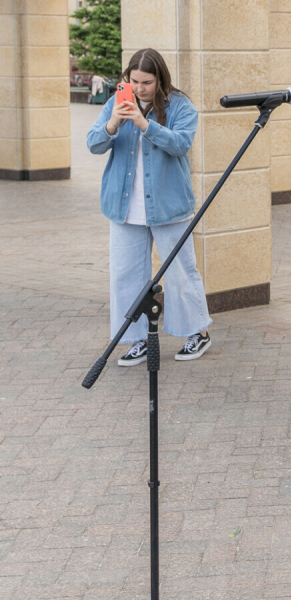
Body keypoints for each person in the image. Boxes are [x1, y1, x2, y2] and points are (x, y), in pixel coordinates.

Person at [87, 48, 212, 366]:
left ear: (160, 79)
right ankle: (135, 339)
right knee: (125, 275)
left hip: (169, 205)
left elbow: (181, 144)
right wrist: (113, 123)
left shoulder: (180, 105)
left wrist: (145, 124)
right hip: (124, 207)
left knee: (181, 271)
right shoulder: (116, 103)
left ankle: (197, 332)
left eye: (147, 82)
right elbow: (93, 144)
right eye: (134, 81)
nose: (140, 88)